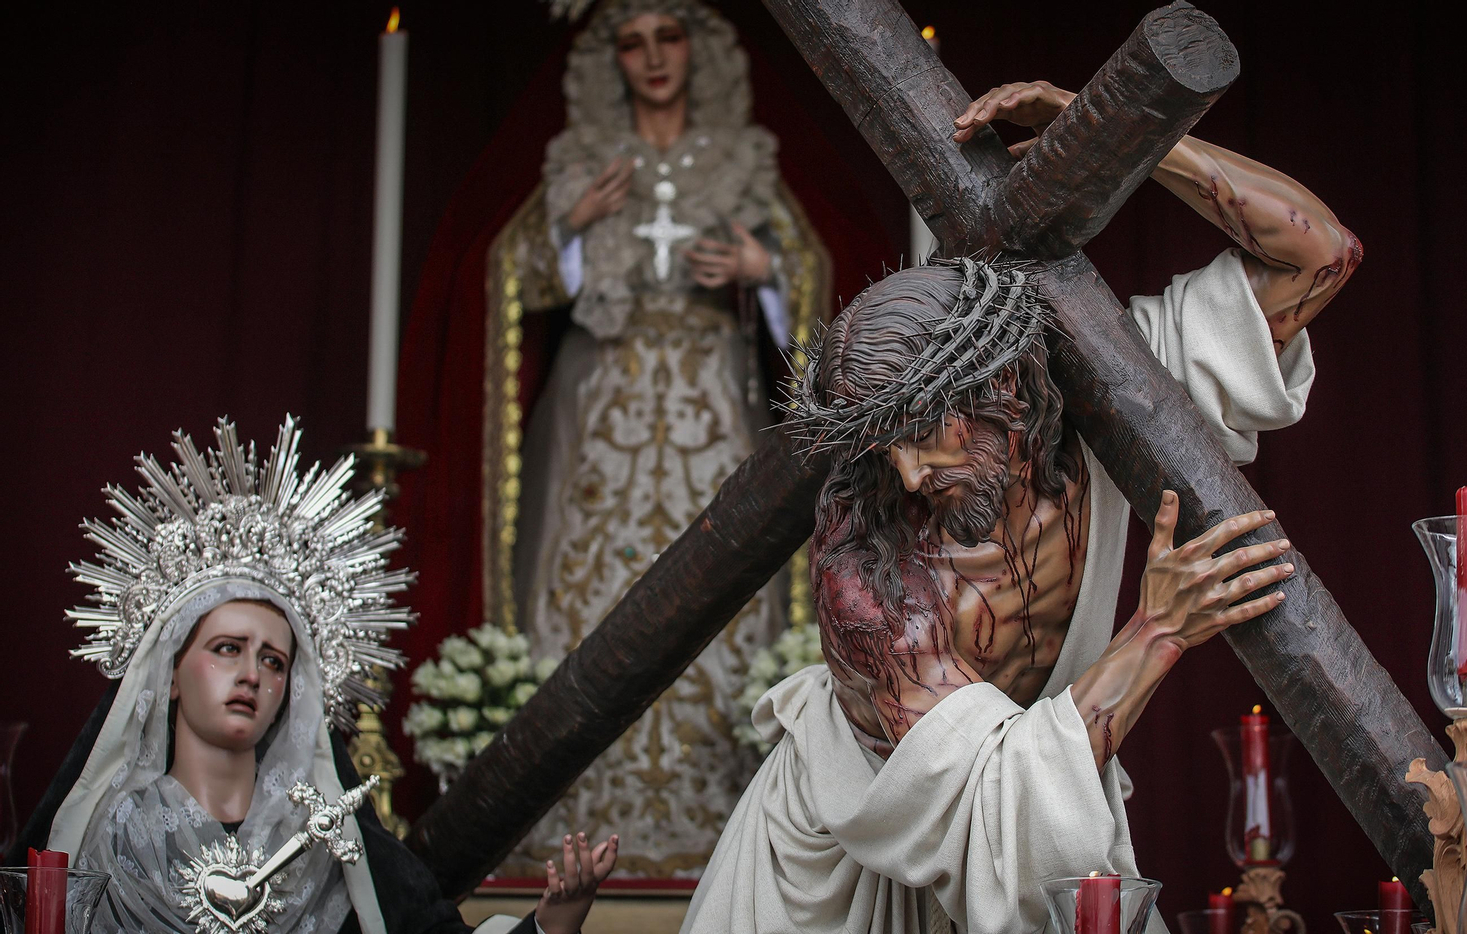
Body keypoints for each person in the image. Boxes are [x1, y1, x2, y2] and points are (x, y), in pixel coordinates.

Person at [681, 80, 1360, 934]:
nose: (911, 473)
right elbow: (993, 816)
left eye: (926, 431)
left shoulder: (1111, 404)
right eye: (883, 444)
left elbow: (1319, 255)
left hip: (1043, 826)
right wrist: (1156, 632)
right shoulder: (866, 581)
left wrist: (1130, 139)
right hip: (843, 887)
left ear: (999, 384)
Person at [8, 417, 616, 934]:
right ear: (168, 675)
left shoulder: (329, 843)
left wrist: (548, 925)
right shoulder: (112, 834)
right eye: (226, 649)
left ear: (291, 691)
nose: (250, 674)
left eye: (273, 660)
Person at [489, 0, 831, 877]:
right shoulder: (583, 157)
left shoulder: (743, 156)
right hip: (600, 402)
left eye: (668, 37)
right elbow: (510, 275)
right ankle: (581, 819)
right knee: (593, 586)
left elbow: (809, 272)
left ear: (697, 48)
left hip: (714, 401)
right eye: (631, 42)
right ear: (612, 60)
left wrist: (761, 273)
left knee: (717, 589)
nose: (652, 58)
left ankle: (728, 821)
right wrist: (570, 229)